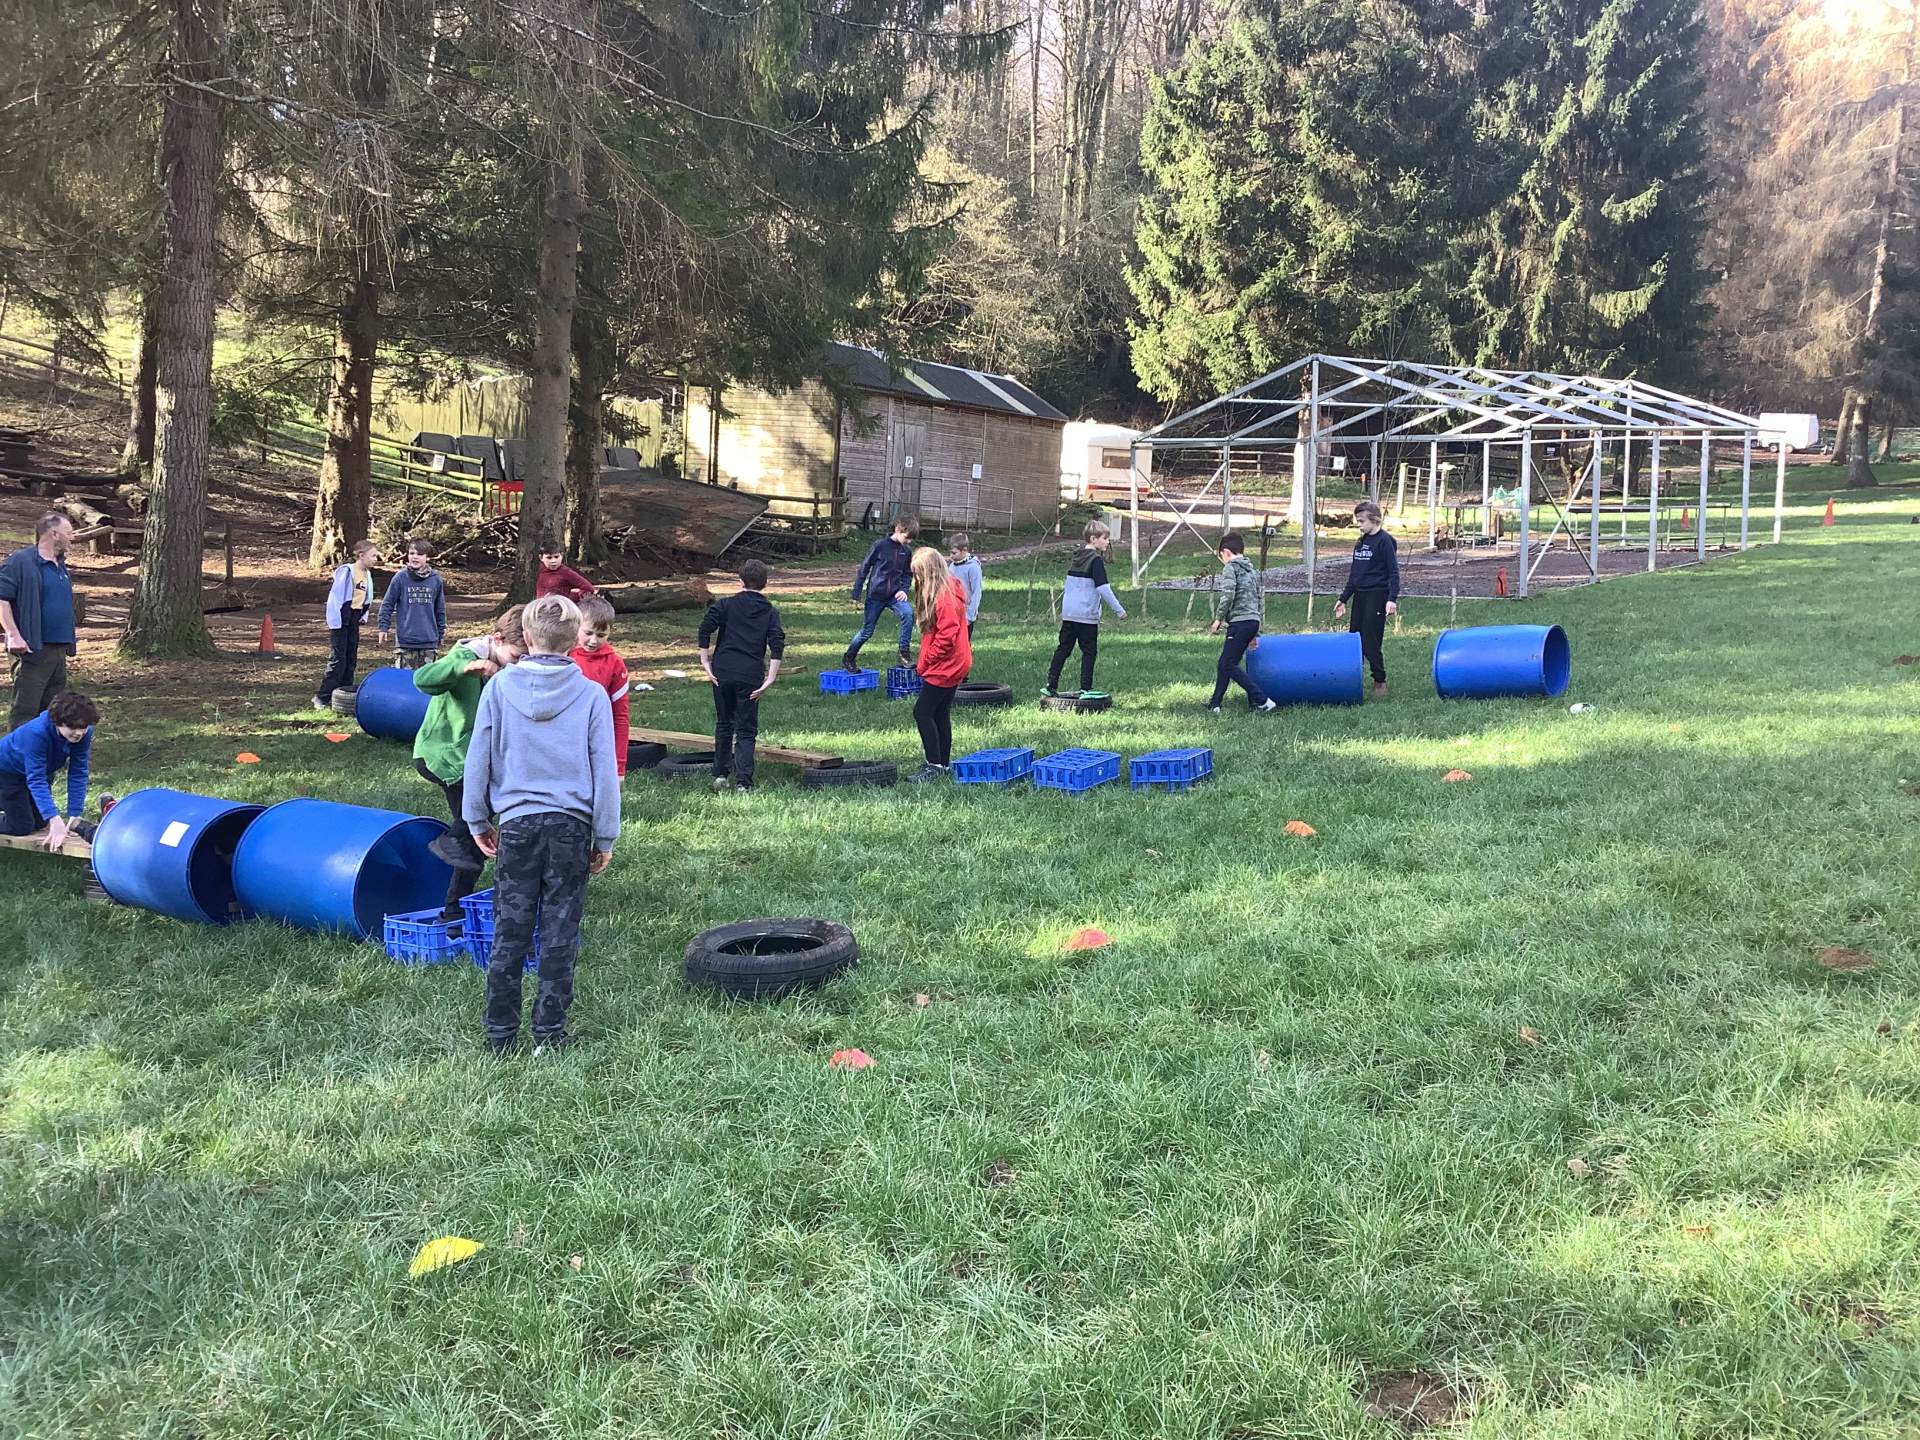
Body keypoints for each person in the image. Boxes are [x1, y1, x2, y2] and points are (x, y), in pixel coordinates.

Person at [463, 594, 620, 1055]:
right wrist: (605, 834)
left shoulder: (498, 688)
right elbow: (604, 771)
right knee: (559, 931)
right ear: (574, 640)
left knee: (509, 931)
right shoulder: (591, 695)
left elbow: (479, 757)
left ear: (527, 638)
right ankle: (549, 1034)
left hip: (517, 824)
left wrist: (476, 817)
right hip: (571, 827)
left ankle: (500, 1035)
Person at [411, 606, 525, 925]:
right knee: (476, 818)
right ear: (497, 639)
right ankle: (449, 841)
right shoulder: (466, 657)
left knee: (477, 840)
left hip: (475, 761)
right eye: (516, 657)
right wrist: (463, 668)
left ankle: (453, 911)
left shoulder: (508, 670)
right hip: (444, 757)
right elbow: (422, 679)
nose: (518, 665)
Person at [696, 559, 785, 792]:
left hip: (722, 671)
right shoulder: (770, 611)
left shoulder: (725, 605)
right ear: (765, 583)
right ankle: (744, 782)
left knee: (724, 723)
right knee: (746, 729)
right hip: (750, 674)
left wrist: (705, 661)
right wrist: (770, 678)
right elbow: (777, 643)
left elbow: (705, 628)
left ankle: (721, 775)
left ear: (740, 581)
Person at [0, 512, 78, 728]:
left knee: (53, 712)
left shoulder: (60, 564)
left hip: (58, 649)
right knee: (25, 712)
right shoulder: (21, 561)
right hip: (32, 649)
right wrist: (13, 634)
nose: (73, 537)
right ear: (54, 534)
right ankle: (19, 750)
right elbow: (2, 599)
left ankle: (46, 749)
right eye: (69, 532)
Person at [908, 547, 973, 783]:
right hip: (956, 662)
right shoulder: (949, 589)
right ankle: (943, 763)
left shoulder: (944, 598)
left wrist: (926, 661)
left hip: (946, 665)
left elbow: (947, 636)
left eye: (918, 574)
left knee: (922, 712)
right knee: (940, 712)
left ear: (929, 572)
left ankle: (934, 765)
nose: (916, 579)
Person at [0, 691, 97, 849]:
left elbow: (78, 772)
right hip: (7, 773)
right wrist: (54, 818)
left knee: (40, 822)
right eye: (72, 727)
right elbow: (36, 779)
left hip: (37, 772)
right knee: (21, 826)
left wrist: (74, 814)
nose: (79, 733)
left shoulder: (84, 733)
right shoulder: (36, 733)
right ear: (57, 721)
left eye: (83, 727)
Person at [1043, 519, 1126, 697]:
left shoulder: (1077, 558)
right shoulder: (1095, 560)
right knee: (1089, 651)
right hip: (1086, 615)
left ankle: (1050, 684)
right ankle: (1086, 688)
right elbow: (1103, 588)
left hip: (1069, 613)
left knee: (1063, 648)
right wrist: (1119, 610)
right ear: (1093, 539)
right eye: (1105, 538)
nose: (1108, 542)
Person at [1333, 499, 1400, 698]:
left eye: (1362, 521)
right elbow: (1355, 574)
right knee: (1355, 638)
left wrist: (1392, 598)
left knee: (1371, 639)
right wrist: (1344, 598)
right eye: (1358, 521)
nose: (1359, 525)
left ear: (1375, 520)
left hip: (1377, 595)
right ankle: (1353, 679)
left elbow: (1393, 572)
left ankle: (1379, 680)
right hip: (1360, 596)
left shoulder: (1385, 541)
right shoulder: (1360, 542)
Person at [1206, 532, 1278, 716]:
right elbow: (1257, 598)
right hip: (1252, 621)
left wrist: (1218, 618)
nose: (1222, 560)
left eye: (1221, 556)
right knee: (1225, 663)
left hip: (1239, 622)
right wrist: (1255, 631)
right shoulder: (1251, 570)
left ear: (1226, 552)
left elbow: (1228, 595)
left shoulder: (1230, 568)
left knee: (1228, 664)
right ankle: (1215, 704)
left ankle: (1262, 700)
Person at [843, 516, 917, 671]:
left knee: (908, 613)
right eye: (907, 537)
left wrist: (904, 589)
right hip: (875, 596)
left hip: (894, 595)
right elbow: (864, 568)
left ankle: (903, 653)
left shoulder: (906, 551)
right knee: (867, 631)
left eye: (911, 539)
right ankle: (849, 657)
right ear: (898, 530)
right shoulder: (880, 546)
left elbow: (907, 573)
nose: (908, 541)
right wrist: (857, 591)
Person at [570, 594, 631, 779]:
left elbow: (620, 717)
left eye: (601, 635)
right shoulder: (563, 656)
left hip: (597, 741)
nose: (594, 640)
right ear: (576, 626)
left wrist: (619, 767)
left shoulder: (615, 664)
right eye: (588, 633)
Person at [314, 538, 379, 710]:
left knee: (351, 658)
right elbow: (336, 598)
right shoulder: (348, 572)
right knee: (338, 659)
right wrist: (336, 622)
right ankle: (322, 696)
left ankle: (344, 695)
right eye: (373, 556)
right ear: (361, 555)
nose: (375, 559)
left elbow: (365, 598)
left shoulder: (367, 575)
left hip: (354, 619)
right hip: (341, 620)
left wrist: (363, 616)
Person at [377, 537, 446, 669]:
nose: (415, 557)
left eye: (419, 554)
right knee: (404, 680)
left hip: (429, 641)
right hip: (406, 642)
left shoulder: (435, 579)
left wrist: (441, 632)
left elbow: (440, 609)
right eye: (412, 553)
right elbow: (387, 604)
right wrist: (383, 628)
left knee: (426, 680)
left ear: (427, 557)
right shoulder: (400, 578)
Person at [948, 531, 982, 636]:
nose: (951, 556)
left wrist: (970, 616)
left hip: (966, 615)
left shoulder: (973, 567)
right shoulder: (952, 566)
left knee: (964, 642)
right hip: (952, 612)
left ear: (964, 550)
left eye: (954, 553)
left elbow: (976, 592)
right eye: (950, 553)